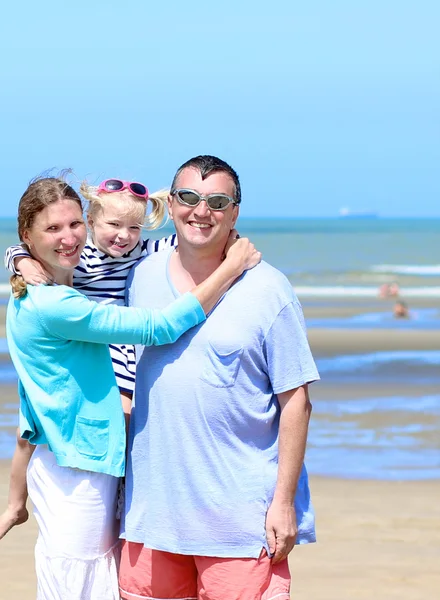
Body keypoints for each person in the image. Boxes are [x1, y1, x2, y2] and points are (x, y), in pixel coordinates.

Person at [0, 174, 260, 599]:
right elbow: (161, 325)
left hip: (72, 451)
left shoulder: (47, 283)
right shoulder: (57, 302)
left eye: (73, 224)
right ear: (27, 235)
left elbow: (181, 243)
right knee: (79, 581)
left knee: (91, 574)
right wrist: (231, 267)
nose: (69, 238)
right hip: (78, 461)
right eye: (54, 229)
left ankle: (15, 507)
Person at [119, 156, 320, 600]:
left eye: (217, 201)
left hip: (238, 524)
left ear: (235, 212)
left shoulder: (269, 290)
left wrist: (283, 503)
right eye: (189, 197)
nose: (200, 211)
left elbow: (297, 403)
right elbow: (68, 256)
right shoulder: (140, 276)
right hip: (151, 519)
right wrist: (17, 259)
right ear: (171, 205)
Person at [0, 179, 182, 548]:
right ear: (92, 221)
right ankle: (14, 505)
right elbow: (16, 248)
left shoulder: (144, 250)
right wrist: (23, 261)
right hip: (91, 339)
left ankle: (125, 499)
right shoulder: (81, 253)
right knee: (26, 435)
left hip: (116, 343)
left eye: (133, 227)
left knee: (125, 416)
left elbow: (189, 240)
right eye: (113, 226)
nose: (123, 237)